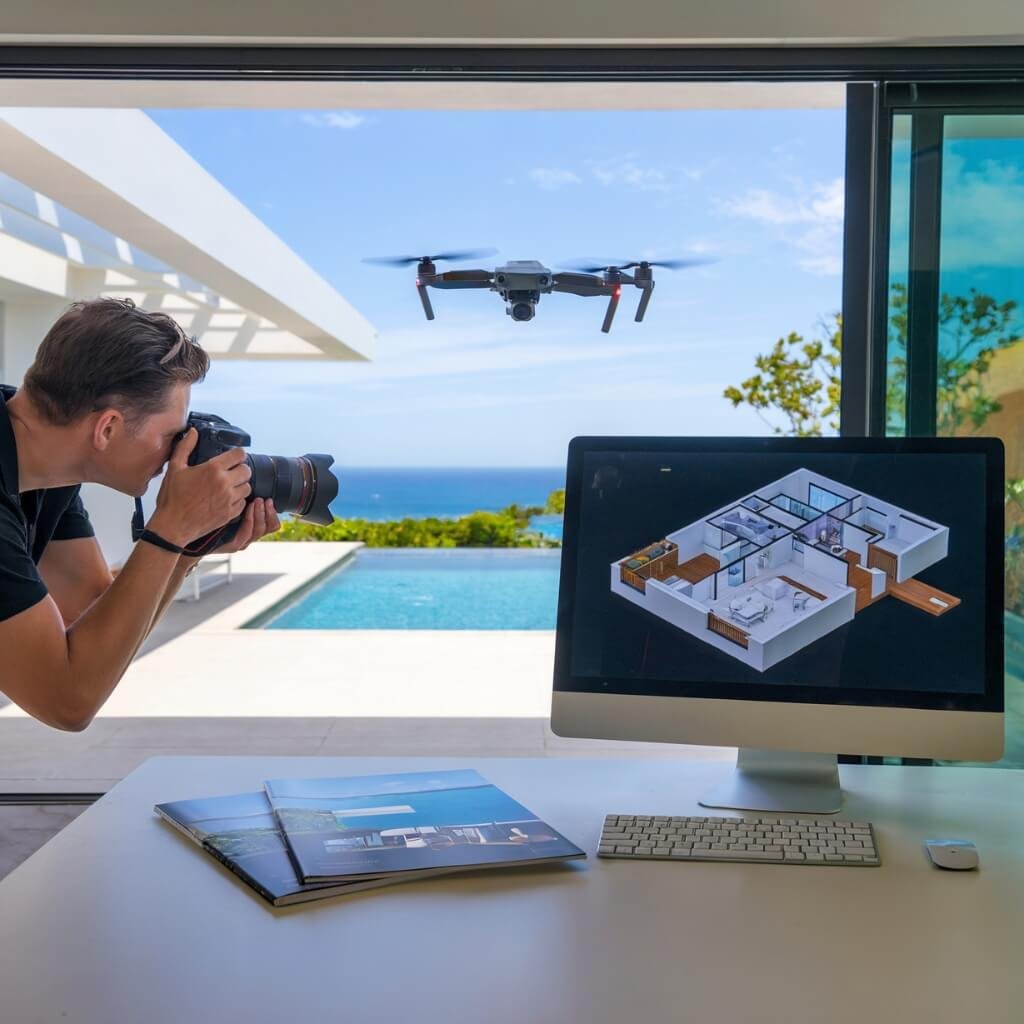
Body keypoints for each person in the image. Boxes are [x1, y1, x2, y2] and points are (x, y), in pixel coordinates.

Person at [0, 298, 281, 731]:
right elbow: (67, 701)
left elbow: (92, 612)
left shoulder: (44, 463)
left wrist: (187, 547)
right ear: (108, 428)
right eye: (171, 435)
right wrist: (170, 531)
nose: (174, 454)